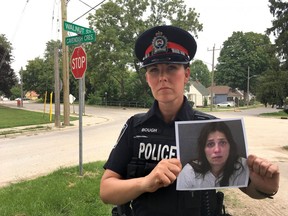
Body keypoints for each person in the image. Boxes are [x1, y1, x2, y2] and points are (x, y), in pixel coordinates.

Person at [100, 25, 280, 216]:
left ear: (186, 74)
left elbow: (244, 184)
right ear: (147, 78)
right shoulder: (135, 127)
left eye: (171, 68)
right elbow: (106, 190)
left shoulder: (211, 128)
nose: (162, 77)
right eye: (154, 70)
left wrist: (267, 187)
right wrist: (145, 182)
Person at [177, 121, 249, 190]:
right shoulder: (189, 172)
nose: (217, 150)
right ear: (203, 149)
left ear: (230, 145)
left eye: (222, 143)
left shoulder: (242, 166)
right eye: (210, 144)